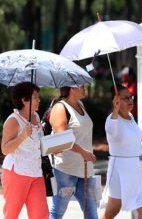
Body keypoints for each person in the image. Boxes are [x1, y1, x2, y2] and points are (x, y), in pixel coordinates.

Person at [102, 84, 142, 219]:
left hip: (137, 170)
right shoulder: (112, 120)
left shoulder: (131, 117)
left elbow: (140, 135)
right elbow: (112, 131)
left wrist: (141, 136)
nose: (130, 101)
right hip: (120, 171)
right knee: (112, 211)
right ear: (116, 100)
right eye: (126, 98)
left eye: (131, 97)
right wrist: (116, 110)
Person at [0, 82, 48, 219]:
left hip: (36, 173)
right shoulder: (13, 121)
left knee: (41, 215)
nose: (39, 100)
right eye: (35, 97)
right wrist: (22, 136)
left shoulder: (36, 117)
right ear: (24, 100)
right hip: (16, 173)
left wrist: (52, 148)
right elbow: (4, 149)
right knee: (12, 215)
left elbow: (37, 144)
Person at [49, 86, 98, 219]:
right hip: (66, 170)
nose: (85, 88)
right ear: (72, 88)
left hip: (85, 169)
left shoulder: (80, 105)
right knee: (58, 211)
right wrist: (83, 152)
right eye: (81, 86)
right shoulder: (60, 107)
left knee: (92, 213)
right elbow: (62, 139)